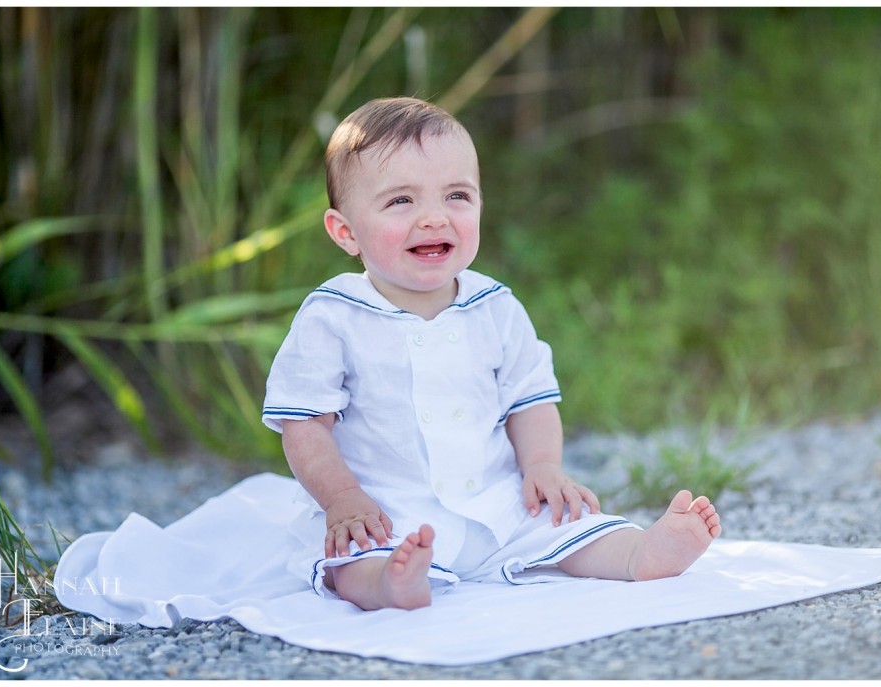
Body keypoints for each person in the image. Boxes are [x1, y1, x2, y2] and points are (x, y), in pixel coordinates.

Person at [263, 97, 721, 611]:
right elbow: (305, 423)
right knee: (354, 560)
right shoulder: (333, 315)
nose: (434, 218)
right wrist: (342, 499)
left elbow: (530, 399)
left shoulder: (494, 306)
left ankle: (637, 553)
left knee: (560, 524)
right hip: (384, 505)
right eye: (401, 202)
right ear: (345, 231)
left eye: (456, 195)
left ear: (481, 203)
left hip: (497, 500)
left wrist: (542, 466)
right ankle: (391, 584)